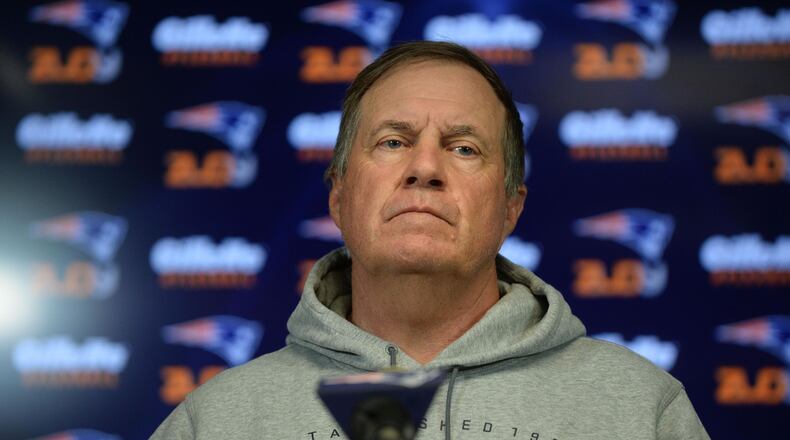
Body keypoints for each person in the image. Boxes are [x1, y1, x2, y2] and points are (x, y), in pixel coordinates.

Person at [151, 41, 709, 440]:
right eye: (393, 142)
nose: (425, 168)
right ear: (339, 198)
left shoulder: (641, 411)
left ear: (510, 208)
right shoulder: (216, 422)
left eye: (464, 148)